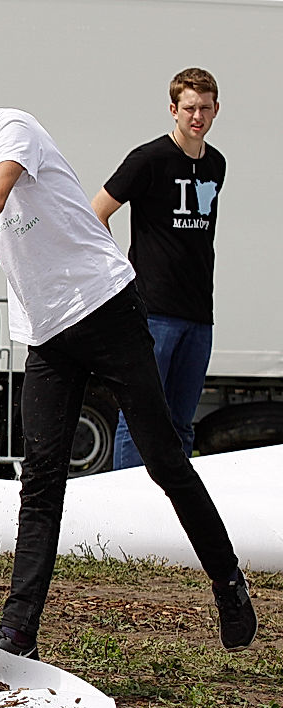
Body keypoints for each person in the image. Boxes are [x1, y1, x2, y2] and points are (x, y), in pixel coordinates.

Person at [0, 40, 255, 658]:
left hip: (106, 309)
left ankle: (228, 581)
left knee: (165, 460)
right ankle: (19, 631)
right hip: (46, 332)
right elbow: (6, 236)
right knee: (40, 481)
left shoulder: (16, 128)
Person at [91, 68, 224, 469]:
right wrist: (119, 272)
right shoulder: (149, 159)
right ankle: (128, 516)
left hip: (199, 312)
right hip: (153, 309)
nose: (196, 116)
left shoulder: (216, 164)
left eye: (204, 108)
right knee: (141, 417)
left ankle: (172, 515)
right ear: (173, 110)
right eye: (188, 108)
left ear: (217, 110)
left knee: (181, 424)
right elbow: (96, 212)